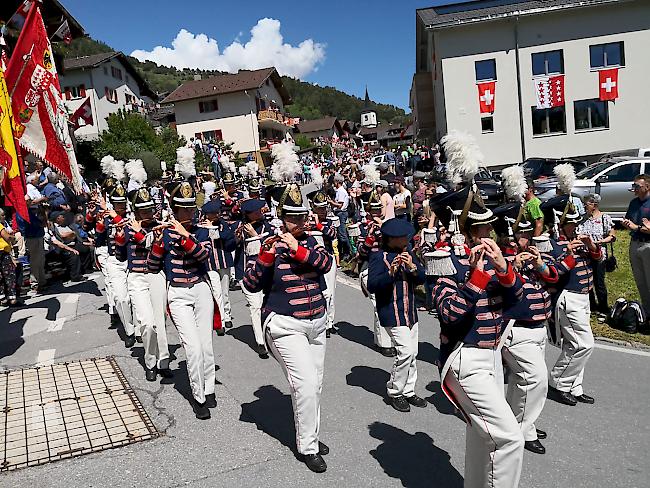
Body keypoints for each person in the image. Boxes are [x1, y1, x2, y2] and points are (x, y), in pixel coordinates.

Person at [432, 181, 526, 488]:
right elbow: (448, 314)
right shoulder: (443, 261)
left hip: (493, 355)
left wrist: (504, 271)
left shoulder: (497, 258)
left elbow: (519, 304)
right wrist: (475, 280)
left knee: (482, 436)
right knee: (510, 438)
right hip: (465, 357)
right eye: (482, 230)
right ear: (466, 231)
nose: (490, 236)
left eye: (490, 229)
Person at [243, 183, 333, 473]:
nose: (299, 222)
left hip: (317, 323)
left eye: (302, 216)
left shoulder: (313, 241)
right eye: (292, 217)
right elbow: (251, 283)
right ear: (282, 217)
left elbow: (326, 264)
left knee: (315, 385)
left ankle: (312, 436)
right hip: (285, 324)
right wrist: (267, 256)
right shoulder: (266, 244)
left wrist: (298, 250)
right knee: (304, 384)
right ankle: (308, 447)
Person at [147, 180, 216, 420]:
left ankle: (209, 388)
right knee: (193, 348)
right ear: (174, 210)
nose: (189, 213)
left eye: (191, 208)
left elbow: (204, 256)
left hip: (201, 290)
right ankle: (199, 397)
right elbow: (153, 268)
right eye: (183, 209)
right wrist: (156, 243)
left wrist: (186, 236)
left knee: (206, 344)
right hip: (177, 293)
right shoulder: (164, 234)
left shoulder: (201, 231)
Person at [493, 202, 556, 456]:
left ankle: (522, 422)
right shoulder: (499, 258)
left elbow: (553, 277)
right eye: (520, 234)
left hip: (539, 327)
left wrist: (539, 263)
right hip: (516, 328)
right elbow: (499, 287)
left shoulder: (535, 253)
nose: (525, 239)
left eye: (527, 234)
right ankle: (521, 431)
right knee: (536, 380)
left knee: (523, 382)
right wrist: (514, 265)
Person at [542, 195, 601, 407]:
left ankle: (575, 386)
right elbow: (551, 274)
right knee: (583, 344)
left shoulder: (579, 238)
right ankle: (559, 382)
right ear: (560, 223)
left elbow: (596, 259)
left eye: (576, 223)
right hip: (569, 297)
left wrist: (592, 246)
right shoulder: (551, 244)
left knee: (574, 344)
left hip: (584, 297)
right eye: (571, 224)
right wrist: (568, 253)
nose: (576, 227)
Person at [367, 219, 426, 413]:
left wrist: (413, 267)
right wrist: (390, 273)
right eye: (402, 237)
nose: (406, 239)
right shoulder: (378, 256)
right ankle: (395, 391)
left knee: (413, 354)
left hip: (410, 311)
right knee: (405, 352)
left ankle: (409, 390)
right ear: (391, 239)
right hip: (392, 312)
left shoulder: (408, 252)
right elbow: (372, 286)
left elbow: (422, 278)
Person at [115, 187, 172, 382]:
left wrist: (140, 234)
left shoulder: (161, 226)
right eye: (143, 210)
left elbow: (159, 248)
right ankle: (150, 361)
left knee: (160, 322)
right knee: (147, 323)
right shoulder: (128, 226)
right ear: (136, 211)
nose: (148, 213)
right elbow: (120, 256)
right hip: (137, 277)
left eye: (150, 209)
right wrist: (120, 236)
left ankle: (163, 361)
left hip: (157, 275)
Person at [358, 193, 396, 357]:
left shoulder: (389, 225)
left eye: (378, 209)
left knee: (388, 304)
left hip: (388, 268)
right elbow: (360, 252)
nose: (376, 213)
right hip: (371, 268)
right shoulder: (362, 226)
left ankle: (386, 338)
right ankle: (384, 343)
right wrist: (370, 236)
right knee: (378, 304)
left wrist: (384, 230)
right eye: (373, 210)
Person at [197, 199, 237, 333]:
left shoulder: (223, 224)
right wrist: (207, 228)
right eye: (212, 213)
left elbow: (228, 238)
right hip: (209, 263)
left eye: (216, 213)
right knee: (216, 292)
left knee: (225, 291)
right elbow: (200, 240)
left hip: (223, 261)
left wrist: (215, 229)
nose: (216, 215)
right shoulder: (200, 227)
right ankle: (220, 322)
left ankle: (227, 315)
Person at [579, 194, 615, 317]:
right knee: (587, 281)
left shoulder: (605, 218)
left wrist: (599, 242)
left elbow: (612, 236)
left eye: (586, 204)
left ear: (594, 205)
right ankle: (591, 305)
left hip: (600, 255)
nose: (584, 206)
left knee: (599, 282)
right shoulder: (583, 219)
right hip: (585, 255)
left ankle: (603, 307)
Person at [622, 174, 650, 322]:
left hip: (648, 245)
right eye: (634, 186)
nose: (635, 189)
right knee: (640, 281)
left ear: (647, 186)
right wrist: (629, 225)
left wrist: (637, 227)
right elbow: (631, 221)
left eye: (637, 186)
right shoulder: (634, 203)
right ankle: (646, 311)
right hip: (635, 243)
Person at [329, 173, 351, 261]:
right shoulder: (338, 191)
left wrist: (331, 202)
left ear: (337, 182)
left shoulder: (341, 191)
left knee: (342, 234)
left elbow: (340, 205)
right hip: (339, 213)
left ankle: (347, 253)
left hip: (341, 213)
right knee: (339, 234)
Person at [0, 215, 18, 306]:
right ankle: (12, 299)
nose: (4, 216)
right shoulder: (0, 226)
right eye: (2, 215)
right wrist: (14, 238)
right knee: (9, 275)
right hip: (2, 252)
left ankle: (2, 298)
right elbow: (6, 237)